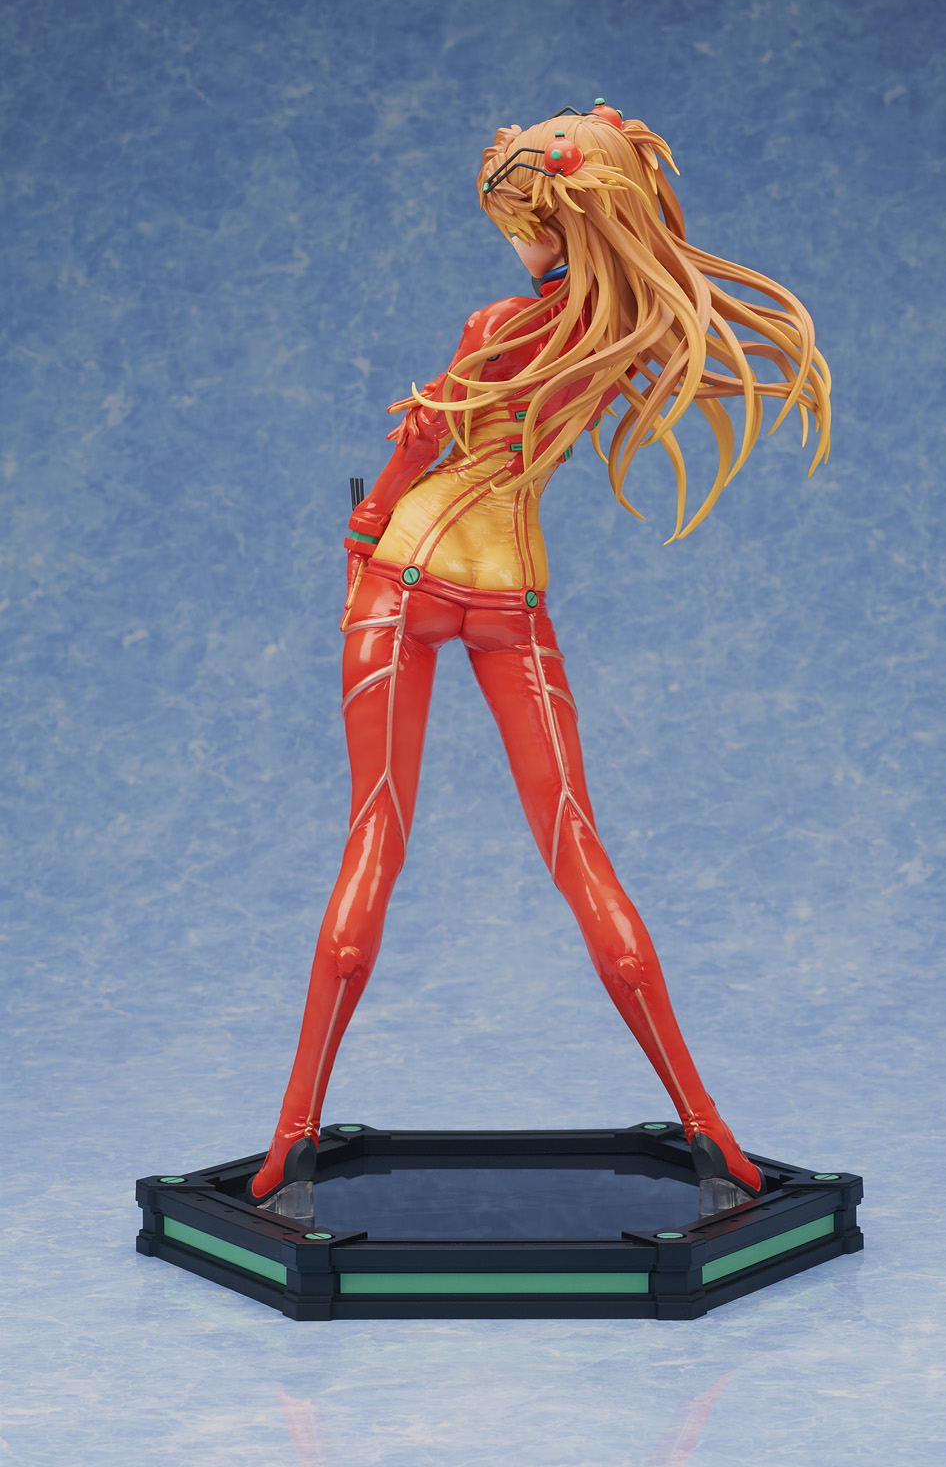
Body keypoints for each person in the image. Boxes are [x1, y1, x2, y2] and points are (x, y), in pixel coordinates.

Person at [248, 100, 831, 1209]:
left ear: (553, 221)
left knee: (375, 836)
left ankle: (291, 1140)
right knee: (578, 847)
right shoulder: (626, 337)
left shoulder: (496, 326)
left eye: (517, 223)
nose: (511, 243)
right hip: (513, 593)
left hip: (406, 577)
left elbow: (422, 440)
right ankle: (710, 1130)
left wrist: (363, 528)